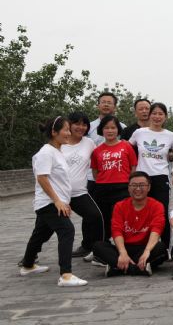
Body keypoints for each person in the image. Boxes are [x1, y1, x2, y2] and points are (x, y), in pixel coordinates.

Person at [20, 117, 88, 287]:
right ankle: (66, 275)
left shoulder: (57, 151)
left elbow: (58, 181)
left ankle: (28, 265)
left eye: (68, 129)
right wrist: (57, 201)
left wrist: (64, 200)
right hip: (48, 203)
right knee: (67, 230)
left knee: (40, 234)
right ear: (54, 132)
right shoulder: (46, 152)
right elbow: (42, 178)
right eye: (65, 129)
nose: (69, 133)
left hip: (54, 201)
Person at [92, 171, 168, 276]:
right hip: (124, 247)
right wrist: (123, 253)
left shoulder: (157, 205)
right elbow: (116, 230)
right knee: (98, 246)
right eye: (134, 185)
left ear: (149, 187)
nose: (138, 189)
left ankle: (118, 267)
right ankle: (137, 268)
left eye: (142, 185)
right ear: (128, 187)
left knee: (161, 248)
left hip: (144, 247)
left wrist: (147, 251)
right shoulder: (119, 206)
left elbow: (157, 229)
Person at [129, 102, 173, 248]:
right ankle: (140, 244)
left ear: (165, 117)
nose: (157, 117)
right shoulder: (139, 133)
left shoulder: (170, 135)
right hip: (141, 177)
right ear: (149, 116)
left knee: (161, 212)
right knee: (141, 211)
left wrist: (171, 156)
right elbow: (127, 149)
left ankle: (165, 247)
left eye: (160, 114)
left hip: (161, 176)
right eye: (154, 113)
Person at [62, 112, 104, 261]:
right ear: (69, 124)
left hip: (79, 192)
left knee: (95, 216)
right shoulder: (60, 143)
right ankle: (29, 258)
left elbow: (101, 157)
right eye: (77, 124)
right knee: (45, 226)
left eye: (84, 124)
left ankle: (98, 251)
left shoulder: (89, 143)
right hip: (58, 194)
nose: (81, 127)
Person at [91, 115, 138, 241]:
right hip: (102, 189)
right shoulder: (97, 151)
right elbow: (95, 172)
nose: (110, 130)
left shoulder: (126, 146)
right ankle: (103, 246)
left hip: (123, 188)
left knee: (122, 219)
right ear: (101, 130)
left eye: (113, 128)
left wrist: (130, 184)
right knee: (104, 220)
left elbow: (133, 167)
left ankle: (125, 244)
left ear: (118, 129)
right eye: (106, 128)